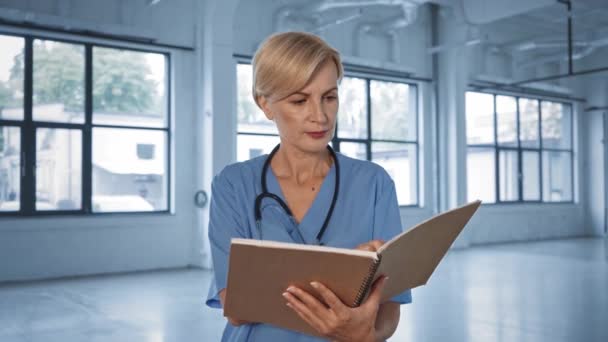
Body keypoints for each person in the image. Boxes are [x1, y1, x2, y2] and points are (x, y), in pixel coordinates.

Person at [206, 31, 412, 341]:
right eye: (300, 100)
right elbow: (235, 308)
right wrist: (349, 275)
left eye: (329, 97)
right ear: (265, 104)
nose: (320, 115)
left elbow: (389, 307)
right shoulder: (233, 185)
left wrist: (363, 335)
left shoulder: (374, 183)